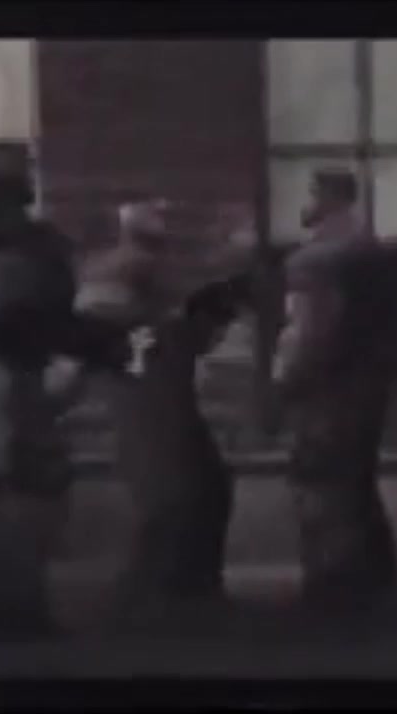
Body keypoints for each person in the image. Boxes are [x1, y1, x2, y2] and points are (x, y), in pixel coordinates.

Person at [0, 140, 132, 640]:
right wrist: (95, 343)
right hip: (3, 385)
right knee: (17, 493)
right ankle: (3, 608)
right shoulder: (29, 247)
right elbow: (43, 317)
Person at [75, 199, 255, 628]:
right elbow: (125, 331)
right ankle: (160, 593)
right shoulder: (122, 274)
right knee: (176, 495)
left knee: (197, 491)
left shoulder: (132, 275)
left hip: (157, 397)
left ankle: (174, 590)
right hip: (147, 400)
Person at [274, 169, 397, 618]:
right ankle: (376, 585)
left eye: (309, 194)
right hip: (369, 384)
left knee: (321, 482)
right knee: (357, 483)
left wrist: (287, 380)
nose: (303, 205)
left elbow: (310, 331)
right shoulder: (375, 254)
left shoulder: (315, 261)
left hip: (327, 388)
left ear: (325, 199)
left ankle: (335, 588)